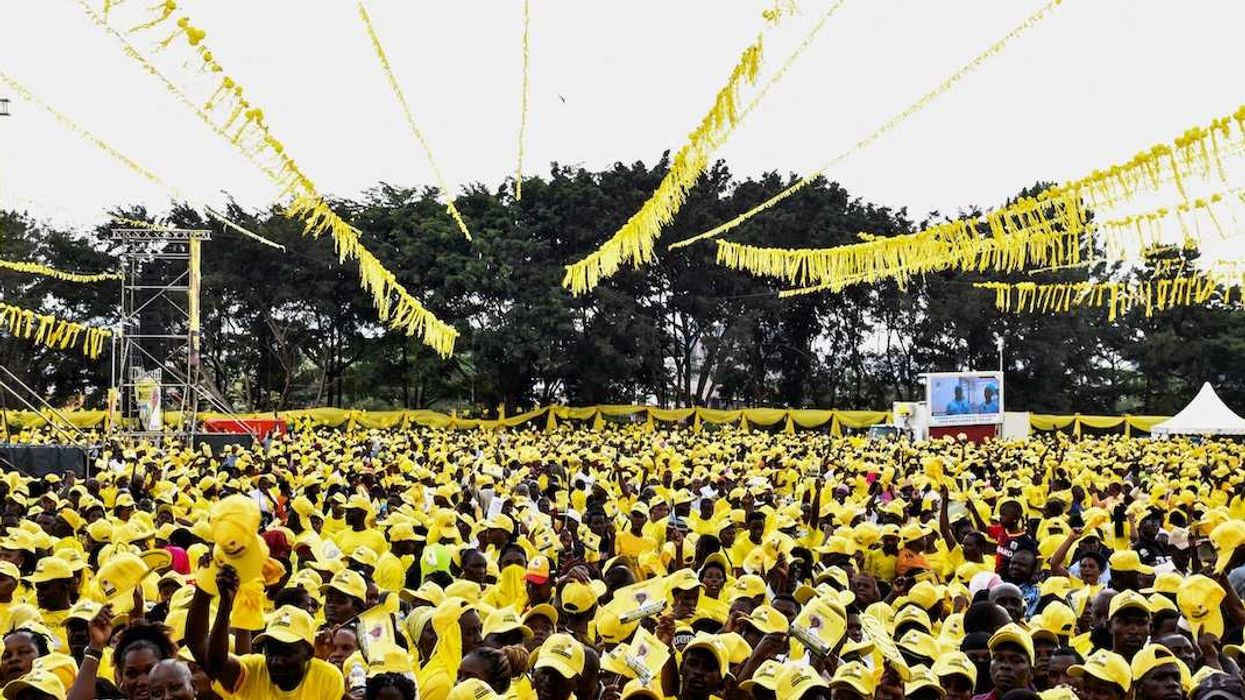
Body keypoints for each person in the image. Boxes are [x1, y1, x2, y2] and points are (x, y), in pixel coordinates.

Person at [187, 566, 343, 699]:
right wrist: (224, 603)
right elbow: (207, 653)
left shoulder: (327, 678)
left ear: (309, 653)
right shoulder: (254, 670)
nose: (276, 661)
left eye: (286, 653)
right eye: (271, 652)